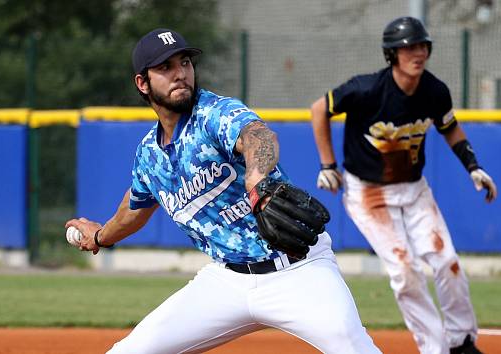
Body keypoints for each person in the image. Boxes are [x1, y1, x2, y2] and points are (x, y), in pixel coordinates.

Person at [65, 28, 381, 354]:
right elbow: (133, 210)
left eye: (184, 62)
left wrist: (257, 183)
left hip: (299, 271)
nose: (180, 73)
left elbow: (259, 136)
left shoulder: (213, 113)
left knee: (353, 348)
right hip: (227, 282)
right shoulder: (149, 156)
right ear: (142, 83)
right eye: (165, 67)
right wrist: (100, 236)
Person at [310, 17, 497, 354]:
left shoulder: (435, 91)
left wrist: (474, 166)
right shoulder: (367, 89)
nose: (418, 52)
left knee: (447, 262)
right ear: (392, 54)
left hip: (414, 189)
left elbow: (450, 127)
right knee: (406, 270)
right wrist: (328, 164)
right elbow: (319, 109)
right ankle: (435, 348)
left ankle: (461, 342)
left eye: (423, 45)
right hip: (368, 193)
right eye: (409, 47)